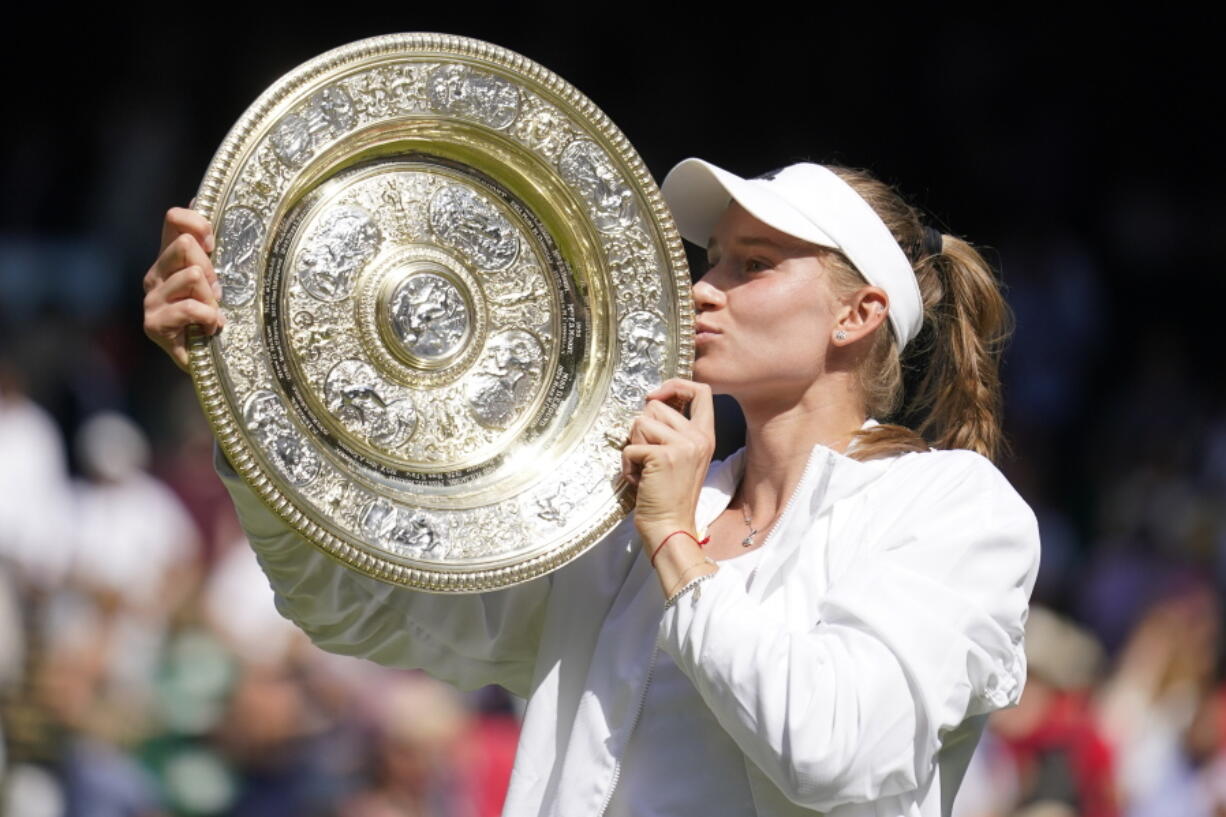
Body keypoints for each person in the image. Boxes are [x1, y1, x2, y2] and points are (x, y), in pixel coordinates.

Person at [143, 157, 1041, 817]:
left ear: (858, 314)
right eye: (712, 257)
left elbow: (837, 753)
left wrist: (673, 540)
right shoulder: (635, 504)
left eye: (753, 263)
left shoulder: (951, 507)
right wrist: (239, 391)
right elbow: (358, 608)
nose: (703, 289)